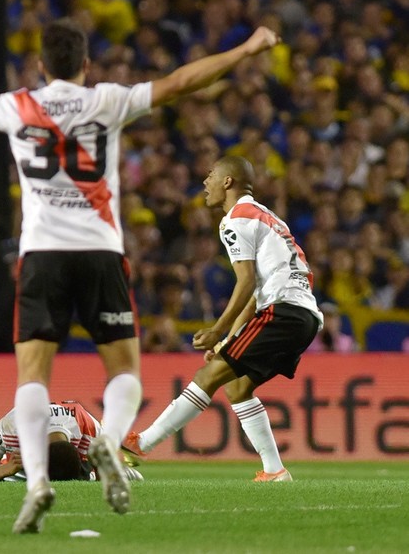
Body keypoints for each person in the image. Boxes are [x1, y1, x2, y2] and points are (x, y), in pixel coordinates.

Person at [0, 19, 281, 533]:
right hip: (100, 250)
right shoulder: (107, 100)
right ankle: (111, 440)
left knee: (32, 377)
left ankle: (36, 482)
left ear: (40, 66)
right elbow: (183, 82)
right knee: (124, 370)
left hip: (42, 256)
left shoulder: (19, 105)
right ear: (85, 65)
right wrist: (249, 46)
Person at [123, 156, 322, 482]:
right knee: (237, 387)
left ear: (228, 182)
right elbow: (257, 289)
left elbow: (244, 283)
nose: (205, 184)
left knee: (209, 375)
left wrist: (217, 330)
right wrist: (230, 339)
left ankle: (142, 442)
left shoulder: (235, 219)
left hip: (283, 310)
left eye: (211, 176)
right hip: (304, 315)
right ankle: (274, 470)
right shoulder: (268, 217)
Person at [0, 400, 143, 483]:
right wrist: (1, 471)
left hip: (70, 461)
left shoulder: (88, 427)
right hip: (21, 462)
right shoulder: (12, 426)